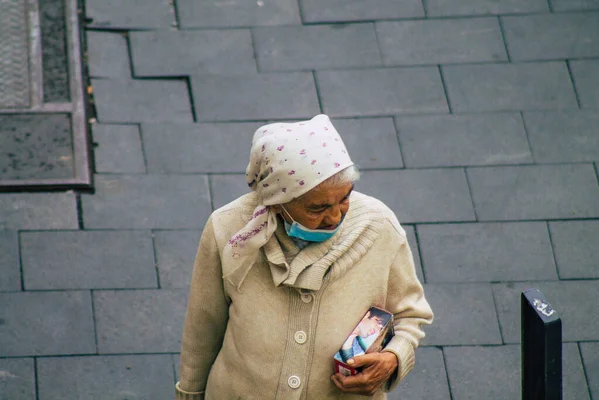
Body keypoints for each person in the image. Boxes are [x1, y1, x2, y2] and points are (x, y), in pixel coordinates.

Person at [176, 114, 433, 399]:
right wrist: (189, 393)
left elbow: (410, 314)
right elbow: (203, 326)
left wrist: (394, 358)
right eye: (317, 208)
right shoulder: (227, 229)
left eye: (345, 197)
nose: (335, 217)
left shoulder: (380, 228)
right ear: (277, 203)